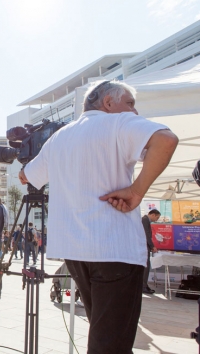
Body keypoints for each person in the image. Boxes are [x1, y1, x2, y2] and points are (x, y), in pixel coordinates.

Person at [18, 80, 178, 353]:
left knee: (103, 335)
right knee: (110, 344)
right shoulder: (118, 123)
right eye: (129, 103)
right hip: (115, 249)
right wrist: (137, 191)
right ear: (108, 103)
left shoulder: (59, 136)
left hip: (76, 252)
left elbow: (26, 176)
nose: (134, 112)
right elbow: (167, 139)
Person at [142, 209, 160, 294]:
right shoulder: (144, 220)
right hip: (144, 247)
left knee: (147, 267)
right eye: (157, 217)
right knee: (146, 267)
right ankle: (143, 286)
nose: (157, 219)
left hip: (145, 247)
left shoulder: (145, 220)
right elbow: (146, 235)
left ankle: (144, 285)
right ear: (153, 214)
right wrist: (152, 246)